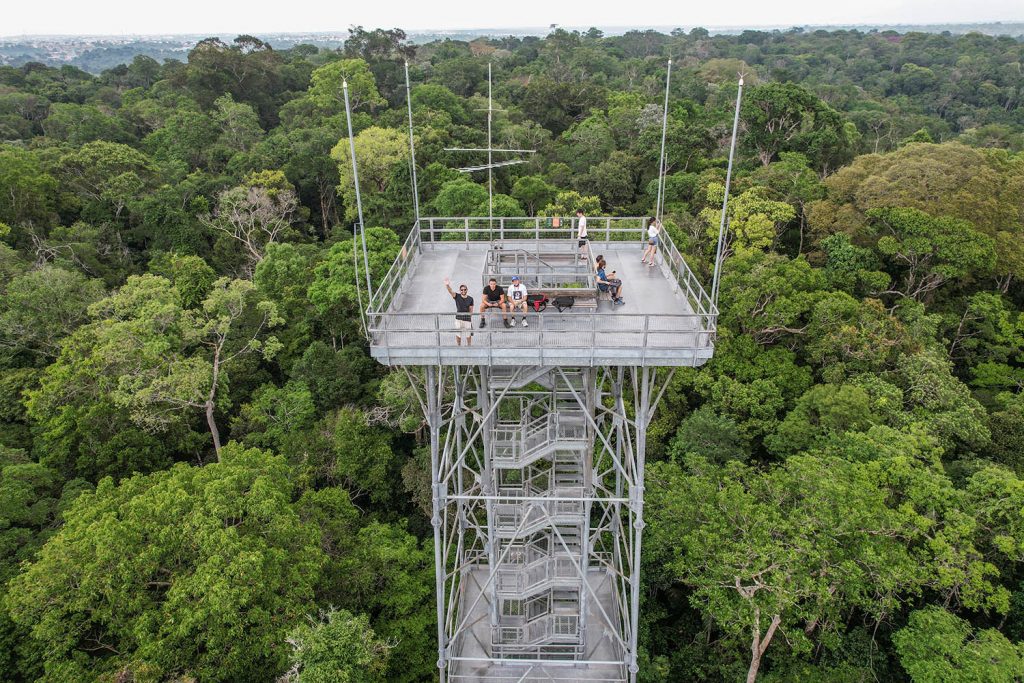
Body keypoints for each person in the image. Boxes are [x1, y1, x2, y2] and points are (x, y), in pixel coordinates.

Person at [444, 278, 474, 345]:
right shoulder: (457, 296)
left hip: (467, 319)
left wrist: (469, 318)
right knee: (458, 334)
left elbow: (471, 309)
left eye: (465, 289)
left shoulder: (470, 298)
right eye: (462, 290)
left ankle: (469, 345)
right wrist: (447, 285)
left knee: (468, 334)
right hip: (458, 319)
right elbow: (450, 291)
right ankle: (458, 345)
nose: (463, 291)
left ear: (467, 290)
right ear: (460, 291)